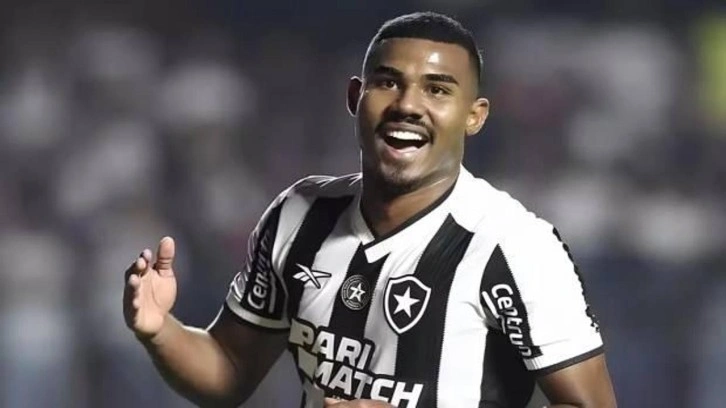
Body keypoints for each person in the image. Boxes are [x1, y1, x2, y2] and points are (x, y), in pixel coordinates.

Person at [123, 11, 617, 408]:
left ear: (474, 116)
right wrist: (160, 330)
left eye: (437, 89)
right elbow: (229, 372)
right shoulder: (299, 215)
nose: (408, 105)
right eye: (388, 82)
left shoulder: (516, 245)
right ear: (355, 97)